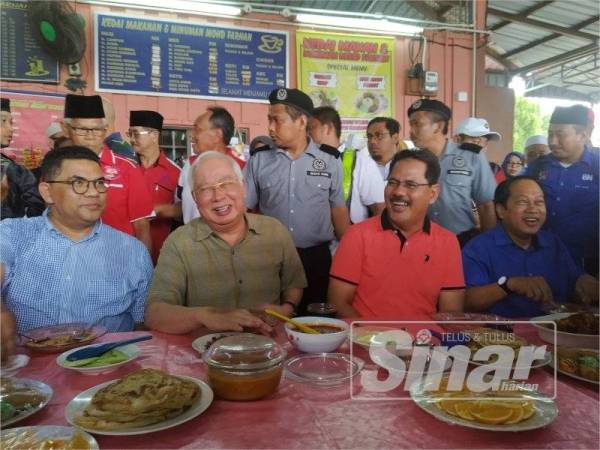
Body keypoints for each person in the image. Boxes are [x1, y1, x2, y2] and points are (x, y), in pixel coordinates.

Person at [145, 151, 306, 334]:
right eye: (205, 189)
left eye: (226, 184)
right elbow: (155, 313)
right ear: (195, 198)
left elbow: (294, 282)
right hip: (206, 353)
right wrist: (206, 316)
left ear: (243, 187)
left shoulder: (274, 231)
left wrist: (286, 308)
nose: (218, 196)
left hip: (269, 346)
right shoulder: (179, 242)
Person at [0, 147, 153, 332]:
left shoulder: (133, 251)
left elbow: (142, 325)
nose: (93, 193)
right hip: (27, 358)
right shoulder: (13, 234)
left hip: (107, 359)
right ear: (47, 192)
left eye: (99, 183)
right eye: (78, 183)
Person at [244, 88, 350, 315]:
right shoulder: (259, 162)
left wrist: (352, 259)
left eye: (277, 120)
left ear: (302, 121)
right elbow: (243, 212)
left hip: (316, 260)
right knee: (271, 321)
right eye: (269, 120)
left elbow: (339, 213)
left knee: (317, 323)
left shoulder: (330, 161)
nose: (270, 128)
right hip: (271, 260)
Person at [328, 149, 464, 320]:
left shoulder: (447, 242)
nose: (398, 192)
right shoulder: (357, 236)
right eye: (392, 182)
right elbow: (338, 303)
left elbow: (451, 314)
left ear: (433, 194)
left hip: (425, 342)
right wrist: (373, 339)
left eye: (411, 185)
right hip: (365, 341)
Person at [462, 176, 598, 317]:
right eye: (523, 202)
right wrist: (509, 285)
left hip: (556, 332)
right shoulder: (479, 248)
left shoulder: (553, 244)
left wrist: (585, 286)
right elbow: (465, 301)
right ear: (501, 210)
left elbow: (576, 281)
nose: (533, 209)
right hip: (503, 335)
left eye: (539, 202)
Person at [61, 94, 154, 253]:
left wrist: (143, 269)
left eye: (96, 129)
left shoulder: (127, 169)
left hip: (117, 259)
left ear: (105, 130)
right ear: (67, 129)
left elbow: (141, 226)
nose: (90, 136)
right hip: (69, 259)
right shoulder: (56, 169)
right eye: (82, 129)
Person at [408, 99, 496, 246]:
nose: (411, 131)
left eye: (417, 124)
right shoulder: (412, 161)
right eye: (411, 124)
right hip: (422, 242)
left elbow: (486, 205)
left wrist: (488, 247)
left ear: (438, 126)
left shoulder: (471, 156)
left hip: (462, 241)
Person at [527, 105, 599, 275]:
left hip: (587, 263)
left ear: (583, 135)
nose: (552, 141)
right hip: (541, 258)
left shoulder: (597, 167)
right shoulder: (538, 167)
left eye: (560, 135)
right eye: (550, 134)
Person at [310, 106, 384, 223]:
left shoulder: (361, 163)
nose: (307, 134)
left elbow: (379, 209)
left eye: (311, 128)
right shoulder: (306, 160)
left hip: (350, 237)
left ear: (327, 128)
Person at [129, 110, 182, 264]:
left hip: (161, 257)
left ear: (154, 135)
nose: (131, 139)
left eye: (136, 134)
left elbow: (182, 209)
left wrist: (153, 210)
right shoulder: (125, 168)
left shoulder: (175, 173)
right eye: (129, 133)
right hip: (124, 252)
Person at [178, 106, 245, 224]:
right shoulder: (190, 165)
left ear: (217, 135)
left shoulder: (242, 169)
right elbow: (182, 205)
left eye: (197, 130)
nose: (192, 136)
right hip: (192, 240)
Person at [0, 98, 45, 219]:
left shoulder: (14, 171)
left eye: (11, 122)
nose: (11, 128)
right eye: (3, 121)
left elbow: (37, 208)